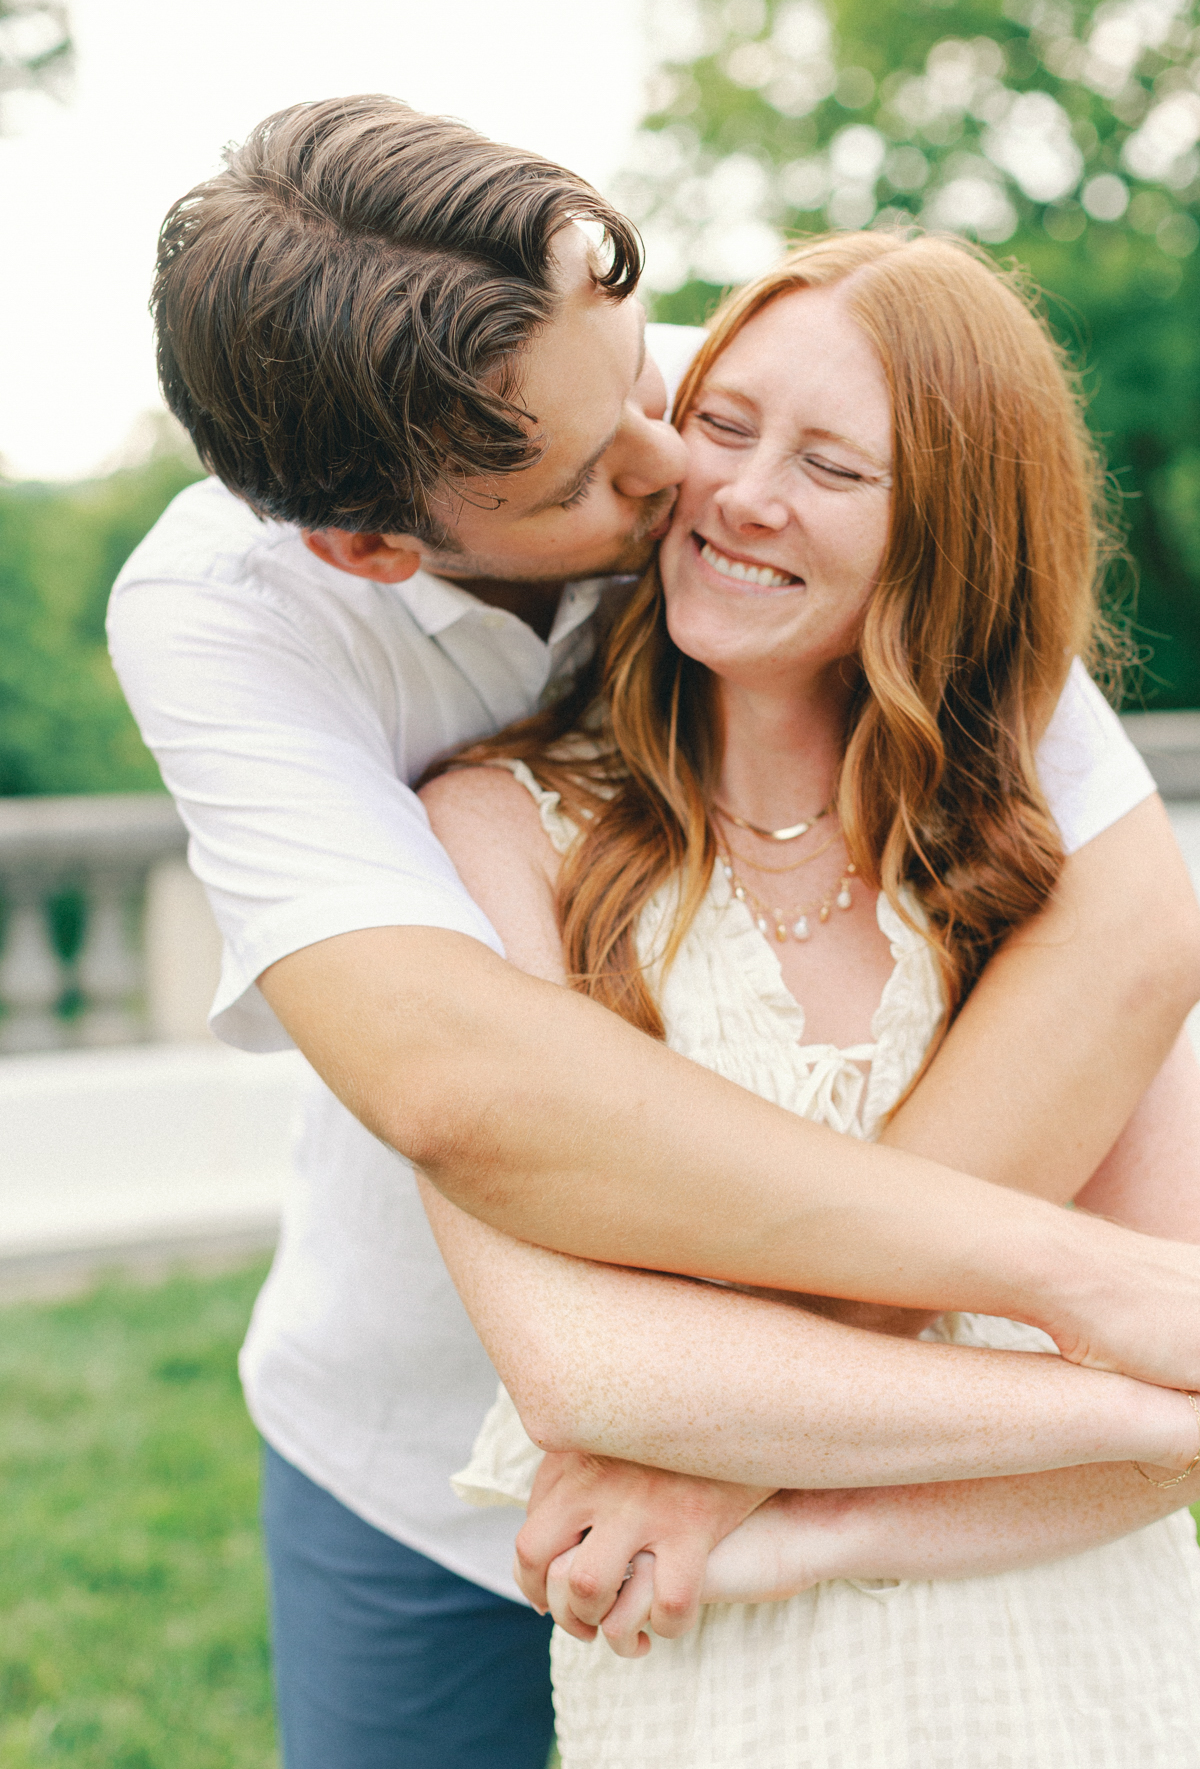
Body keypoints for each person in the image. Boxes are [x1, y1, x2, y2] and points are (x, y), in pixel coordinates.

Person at [108, 96, 1200, 1769]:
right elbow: (467, 1088)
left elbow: (1129, 924)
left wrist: (745, 1430)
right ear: (368, 543)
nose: (683, 457)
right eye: (592, 467)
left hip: (880, 1449)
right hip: (411, 1461)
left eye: (639, 373)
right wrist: (1075, 1286)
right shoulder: (231, 620)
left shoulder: (750, 422)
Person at [423, 230, 1200, 1767]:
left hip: (1081, 1668)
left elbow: (1160, 1369)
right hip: (717, 1699)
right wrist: (1155, 1414)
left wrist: (793, 1523)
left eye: (836, 467)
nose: (743, 495)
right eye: (723, 424)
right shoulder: (496, 836)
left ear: (952, 534)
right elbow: (595, 1380)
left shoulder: (1056, 881)